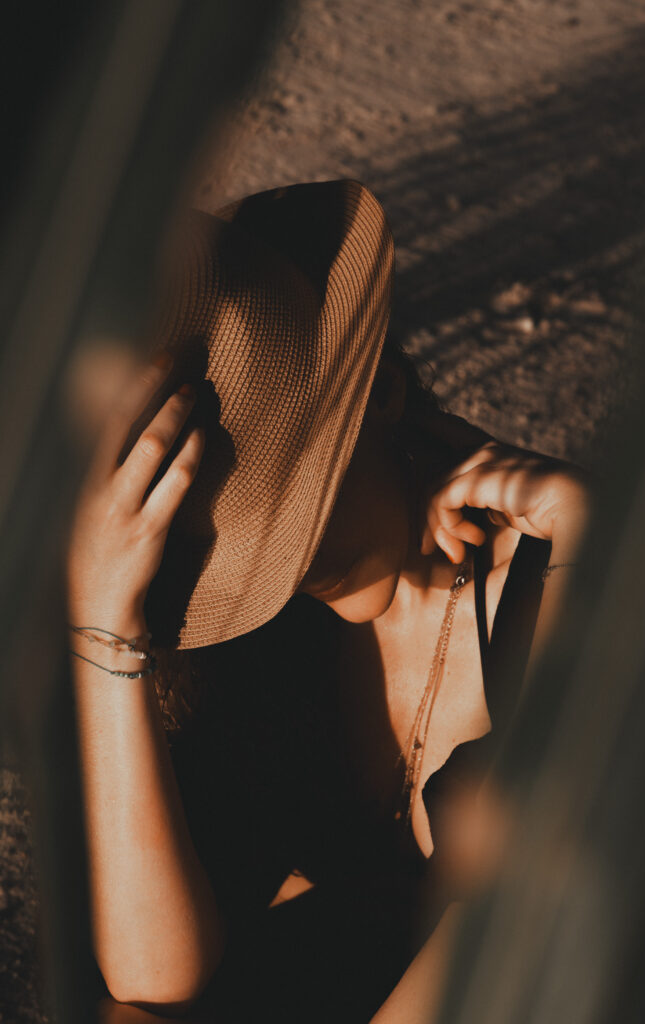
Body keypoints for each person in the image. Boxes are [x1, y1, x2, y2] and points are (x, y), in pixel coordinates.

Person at [65, 180, 591, 1023]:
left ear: (379, 391)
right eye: (230, 552)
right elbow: (152, 981)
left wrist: (590, 554)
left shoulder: (553, 577)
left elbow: (521, 932)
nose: (279, 578)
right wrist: (104, 627)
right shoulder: (259, 627)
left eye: (289, 519)